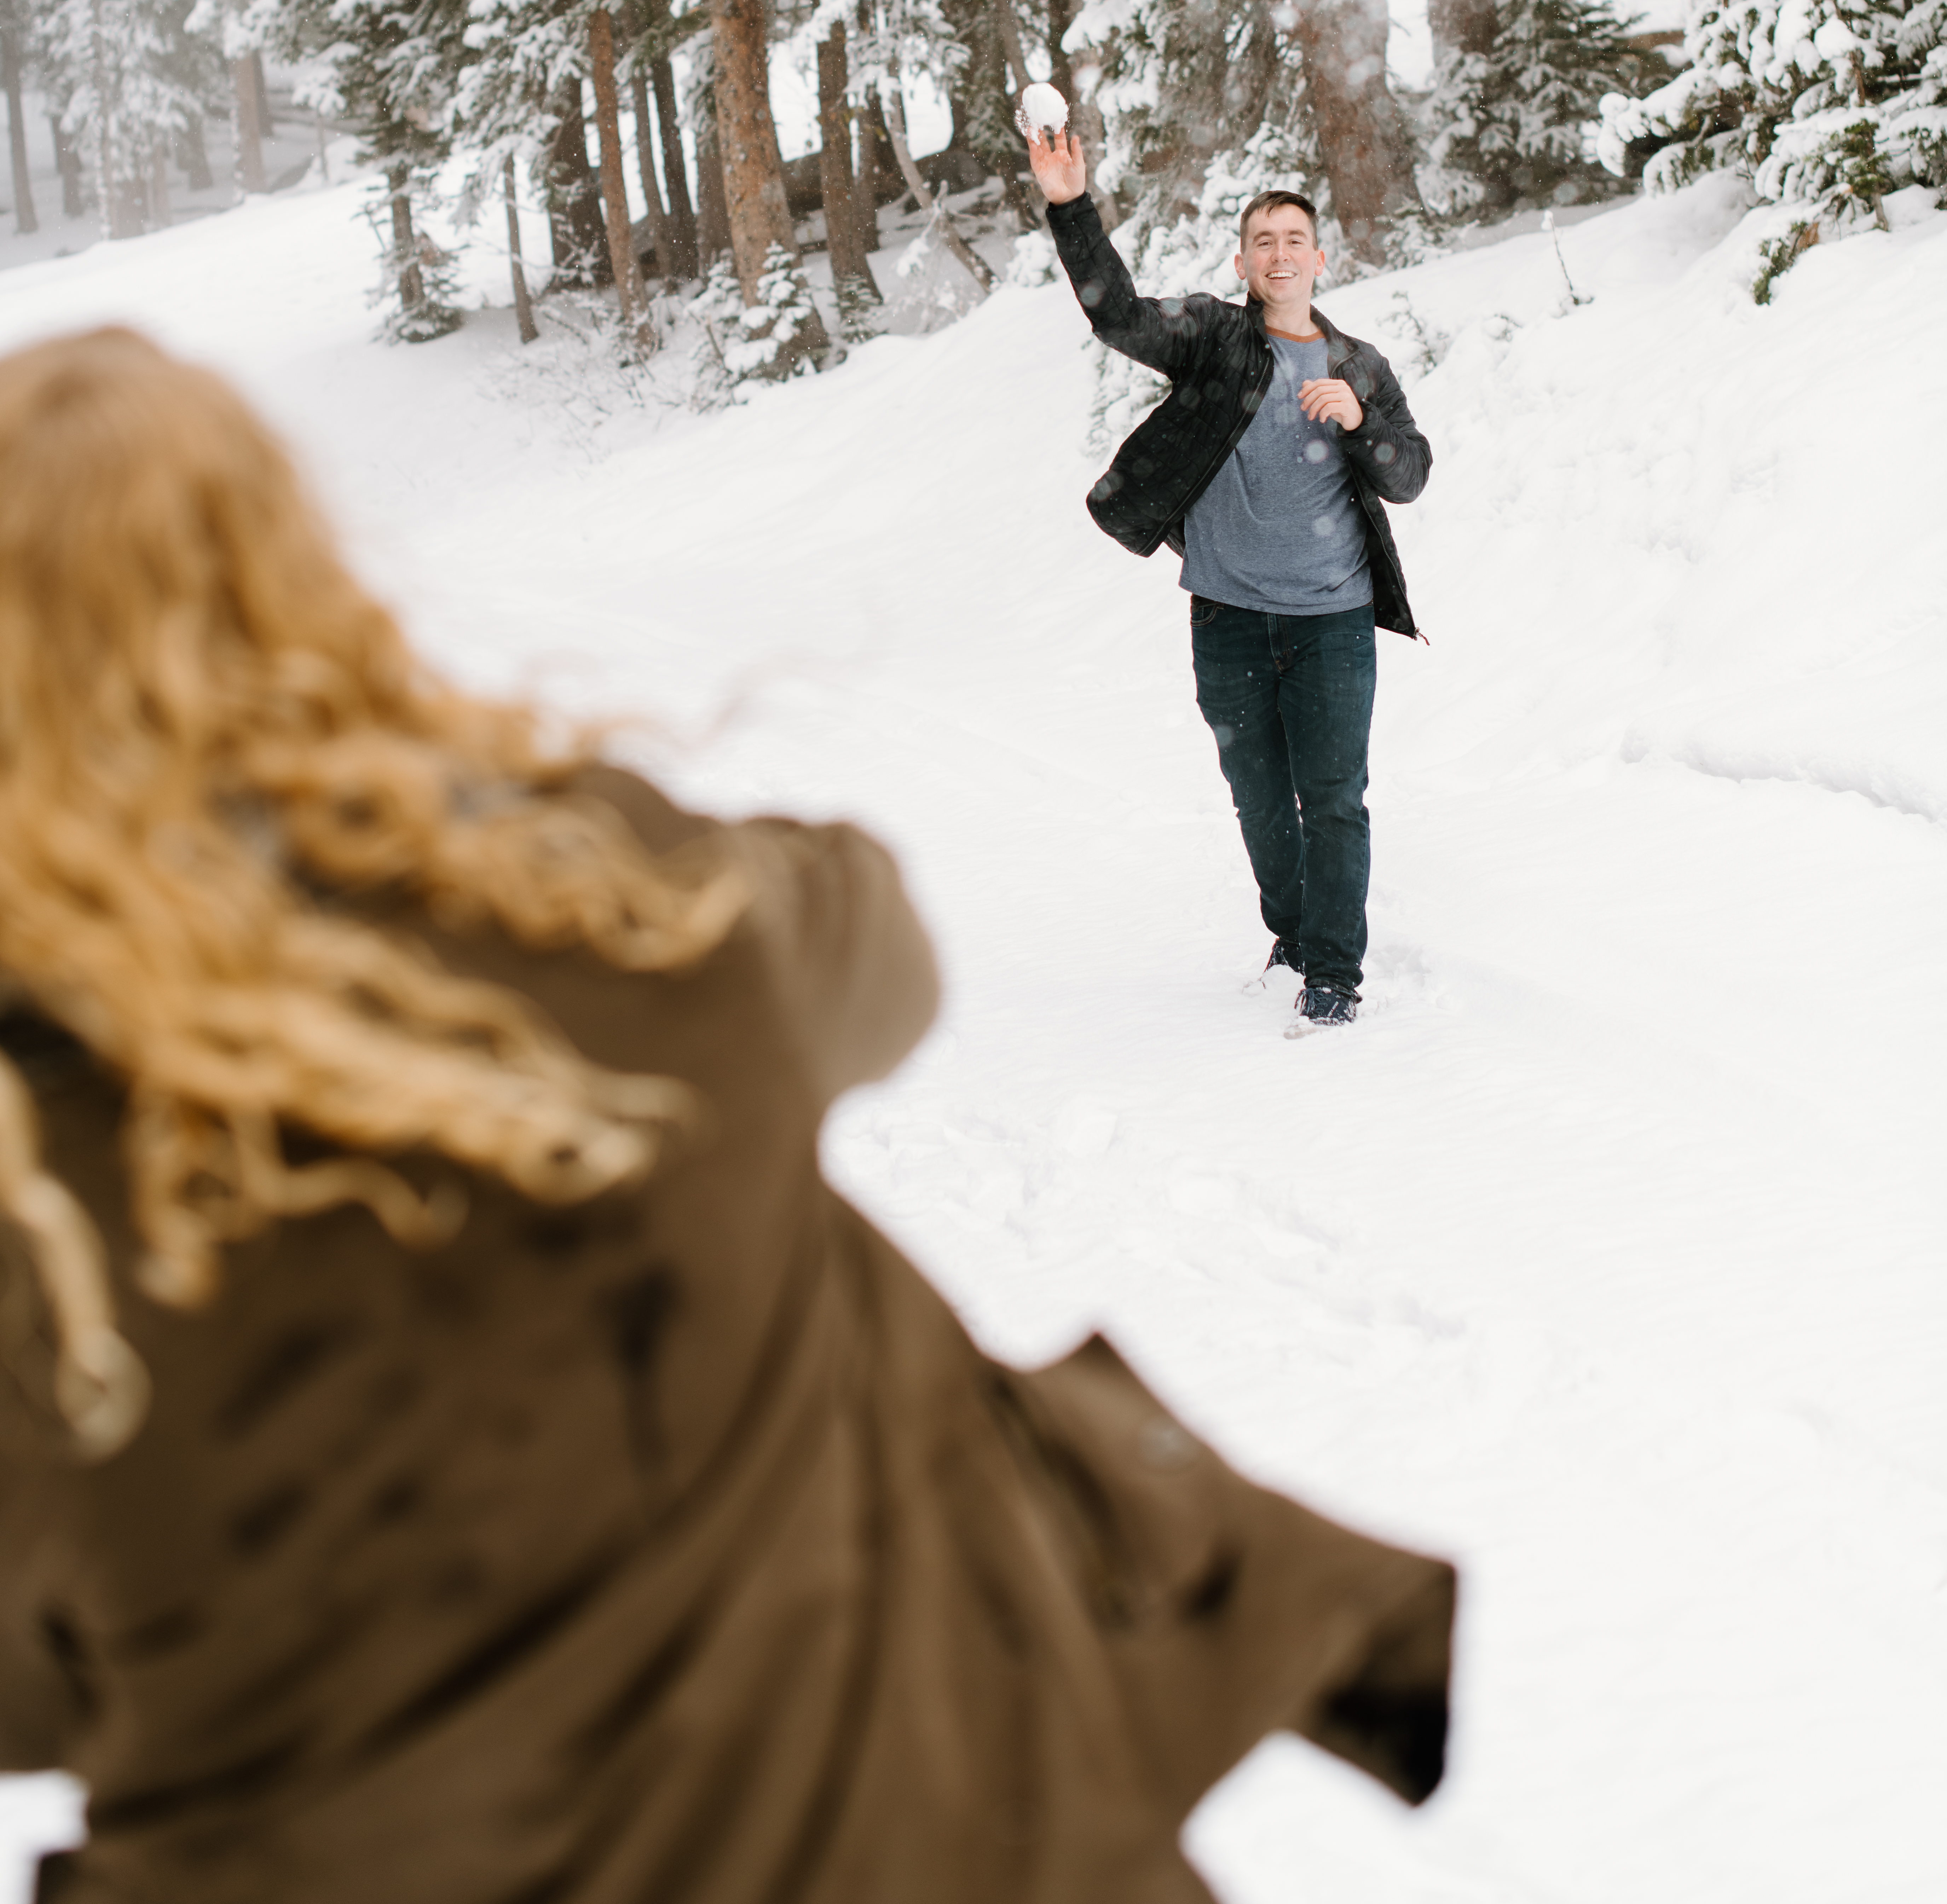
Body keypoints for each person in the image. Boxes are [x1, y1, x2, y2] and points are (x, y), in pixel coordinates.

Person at [0, 328, 1450, 1902]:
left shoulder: (36, 1178)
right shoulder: (596, 906)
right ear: (293, 584)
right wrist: (472, 813)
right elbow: (876, 947)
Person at [1027, 130, 1431, 1029]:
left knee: (1333, 800)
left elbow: (1409, 476)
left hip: (1332, 621)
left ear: (1320, 257)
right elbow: (1117, 315)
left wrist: (1362, 422)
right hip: (1230, 619)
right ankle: (1291, 930)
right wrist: (1070, 206)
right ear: (1242, 262)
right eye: (1263, 242)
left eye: (1295, 239)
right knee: (1258, 799)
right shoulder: (1215, 339)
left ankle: (1334, 973)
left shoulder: (1359, 366)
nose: (1280, 254)